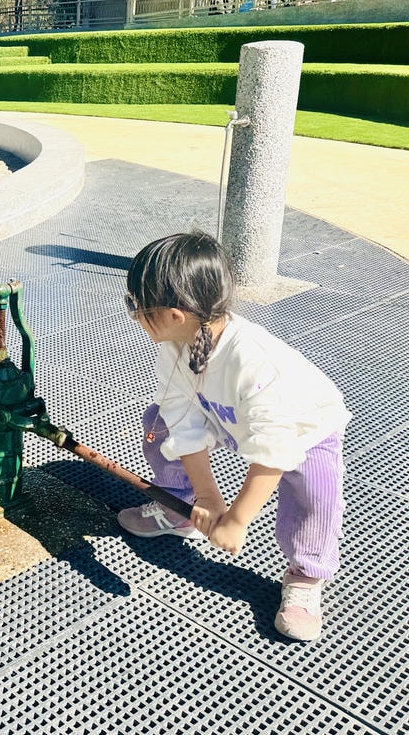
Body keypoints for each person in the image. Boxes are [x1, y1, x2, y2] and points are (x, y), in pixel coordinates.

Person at [118, 231, 350, 641]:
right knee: (159, 423)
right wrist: (207, 497)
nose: (134, 314)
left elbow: (275, 449)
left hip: (304, 428)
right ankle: (180, 507)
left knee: (315, 495)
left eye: (137, 306)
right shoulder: (176, 345)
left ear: (175, 314)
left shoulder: (252, 361)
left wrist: (238, 520)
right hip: (229, 416)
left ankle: (306, 575)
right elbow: (181, 415)